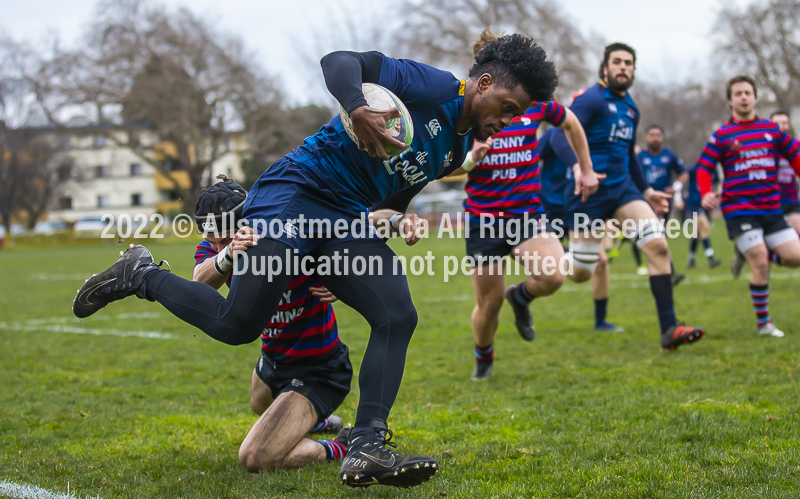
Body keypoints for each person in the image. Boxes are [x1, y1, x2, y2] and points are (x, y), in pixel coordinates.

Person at [72, 34, 561, 488]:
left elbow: (395, 190)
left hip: (343, 219)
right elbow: (339, 62)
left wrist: (398, 220)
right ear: (485, 84)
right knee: (238, 322)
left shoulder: (456, 149)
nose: (510, 120)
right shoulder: (434, 85)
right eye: (509, 107)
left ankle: (367, 443)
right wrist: (357, 108)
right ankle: (142, 273)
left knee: (396, 313)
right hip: (296, 194)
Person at [456, 29, 598, 381]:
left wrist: (585, 168)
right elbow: (445, 171)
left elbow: (571, 122)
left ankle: (520, 297)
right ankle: (484, 357)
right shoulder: (467, 111)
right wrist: (471, 159)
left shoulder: (532, 103)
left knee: (553, 276)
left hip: (526, 215)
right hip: (483, 220)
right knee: (489, 305)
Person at [188, 177, 352, 472]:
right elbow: (199, 281)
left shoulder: (285, 238)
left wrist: (343, 280)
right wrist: (227, 252)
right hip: (274, 357)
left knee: (256, 457)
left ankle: (342, 444)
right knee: (257, 405)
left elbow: (347, 233)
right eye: (212, 240)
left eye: (224, 239)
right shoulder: (221, 248)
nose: (217, 246)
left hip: (317, 368)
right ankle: (316, 421)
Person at [563, 42, 705, 351]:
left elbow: (630, 156)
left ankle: (670, 329)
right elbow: (559, 136)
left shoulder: (631, 108)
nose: (623, 67)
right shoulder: (590, 100)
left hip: (623, 188)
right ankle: (543, 271)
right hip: (589, 192)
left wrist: (647, 191)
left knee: (657, 244)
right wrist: (579, 167)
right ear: (605, 68)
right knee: (580, 272)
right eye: (617, 62)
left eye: (629, 63)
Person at [698, 76, 800, 338]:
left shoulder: (772, 130)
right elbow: (704, 168)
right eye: (738, 93)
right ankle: (764, 324)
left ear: (755, 97)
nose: (743, 97)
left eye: (747, 92)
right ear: (730, 100)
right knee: (761, 263)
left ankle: (752, 250)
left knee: (794, 257)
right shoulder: (722, 135)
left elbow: (795, 155)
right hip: (739, 209)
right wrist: (707, 191)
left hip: (771, 209)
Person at [539, 126, 623, 333]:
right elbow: (529, 159)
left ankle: (601, 321)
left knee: (601, 262)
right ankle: (522, 298)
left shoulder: (595, 136)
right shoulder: (554, 135)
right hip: (551, 208)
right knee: (552, 268)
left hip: (580, 205)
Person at [635, 125, 689, 283]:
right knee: (656, 235)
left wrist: (676, 187)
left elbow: (683, 173)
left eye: (658, 135)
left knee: (658, 236)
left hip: (663, 203)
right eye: (651, 135)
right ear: (646, 138)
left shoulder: (669, 156)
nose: (655, 138)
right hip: (644, 202)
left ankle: (664, 271)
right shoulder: (640, 157)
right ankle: (667, 272)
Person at [684, 164, 722, 269]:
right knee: (704, 227)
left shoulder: (714, 169)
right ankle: (711, 259)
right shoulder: (694, 169)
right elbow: (683, 178)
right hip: (695, 203)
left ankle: (691, 259)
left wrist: (719, 195)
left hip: (707, 203)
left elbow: (718, 183)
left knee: (696, 233)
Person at [770, 110, 800, 235]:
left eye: (784, 123)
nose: (781, 127)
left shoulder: (796, 145)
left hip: (792, 201)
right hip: (771, 203)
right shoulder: (767, 147)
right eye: (777, 123)